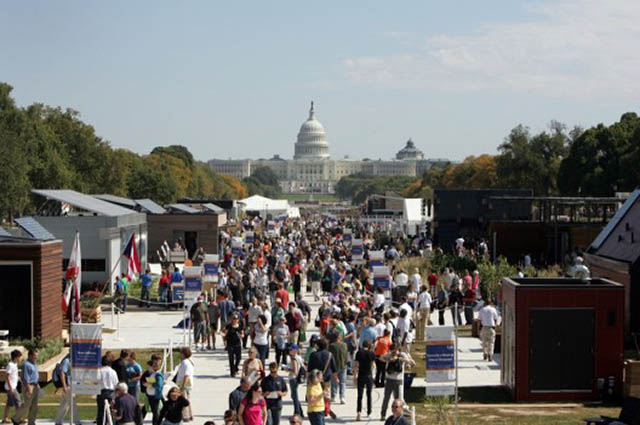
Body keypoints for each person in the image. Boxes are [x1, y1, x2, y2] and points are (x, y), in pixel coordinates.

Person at [379, 344, 415, 421]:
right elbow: (381, 358)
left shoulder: (402, 355)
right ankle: (383, 414)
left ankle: (399, 415)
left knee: (398, 400)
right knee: (386, 398)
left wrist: (399, 358)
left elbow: (410, 362)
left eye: (395, 351)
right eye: (392, 352)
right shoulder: (389, 355)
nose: (393, 353)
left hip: (398, 380)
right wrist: (389, 359)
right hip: (389, 379)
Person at [307, 338, 337, 419]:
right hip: (326, 378)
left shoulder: (313, 355)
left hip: (314, 379)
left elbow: (309, 369)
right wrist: (336, 378)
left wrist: (308, 380)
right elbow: (334, 368)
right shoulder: (330, 355)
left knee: (316, 394)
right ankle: (326, 409)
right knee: (325, 394)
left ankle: (319, 409)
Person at [11, 349, 39, 425]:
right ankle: (15, 418)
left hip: (35, 386)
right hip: (29, 386)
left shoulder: (34, 364)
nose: (36, 357)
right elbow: (26, 378)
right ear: (30, 355)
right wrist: (28, 388)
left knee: (35, 406)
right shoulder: (26, 365)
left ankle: (31, 422)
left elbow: (34, 375)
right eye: (35, 356)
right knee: (27, 405)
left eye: (37, 356)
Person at [353, 340, 375, 421]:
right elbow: (372, 365)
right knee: (369, 394)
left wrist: (355, 376)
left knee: (360, 395)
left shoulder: (359, 353)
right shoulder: (371, 353)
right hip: (368, 375)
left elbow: (356, 365)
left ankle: (359, 411)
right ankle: (369, 411)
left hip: (361, 375)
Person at [54, 354, 80, 425]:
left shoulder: (72, 360)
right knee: (72, 404)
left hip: (71, 385)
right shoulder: (67, 360)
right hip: (68, 386)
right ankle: (77, 421)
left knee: (64, 405)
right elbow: (62, 373)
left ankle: (58, 421)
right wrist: (64, 386)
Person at [97, 354, 119, 425]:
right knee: (111, 411)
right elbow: (116, 383)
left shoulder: (99, 371)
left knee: (101, 411)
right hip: (111, 392)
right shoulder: (113, 372)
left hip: (101, 392)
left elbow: (96, 381)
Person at [141, 357, 164, 425]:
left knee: (155, 411)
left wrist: (150, 385)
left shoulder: (158, 375)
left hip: (154, 396)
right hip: (150, 395)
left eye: (152, 366)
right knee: (154, 411)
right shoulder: (153, 374)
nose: (150, 368)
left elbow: (159, 385)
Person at [3, 350, 22, 424]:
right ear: (16, 357)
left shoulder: (15, 364)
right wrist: (11, 388)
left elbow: (14, 375)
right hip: (11, 388)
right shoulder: (10, 365)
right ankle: (18, 419)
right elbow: (7, 376)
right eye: (20, 357)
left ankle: (5, 418)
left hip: (12, 387)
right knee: (18, 403)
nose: (20, 358)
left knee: (9, 404)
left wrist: (20, 379)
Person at [328, 332, 347, 404]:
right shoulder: (344, 345)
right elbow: (345, 355)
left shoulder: (331, 346)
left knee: (334, 381)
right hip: (343, 365)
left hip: (334, 366)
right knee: (343, 382)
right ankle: (342, 397)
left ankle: (334, 395)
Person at [176, 347, 194, 421]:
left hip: (184, 384)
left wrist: (182, 386)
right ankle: (190, 415)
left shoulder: (185, 363)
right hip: (186, 383)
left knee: (183, 400)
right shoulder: (188, 362)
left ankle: (185, 416)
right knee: (187, 399)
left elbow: (186, 375)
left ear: (183, 354)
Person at [286, 345, 304, 418]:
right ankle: (300, 412)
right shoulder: (299, 358)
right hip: (296, 379)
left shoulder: (294, 359)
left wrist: (287, 369)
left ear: (295, 351)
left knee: (294, 396)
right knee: (294, 396)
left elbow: (295, 371)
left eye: (291, 350)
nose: (290, 351)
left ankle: (297, 413)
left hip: (293, 378)